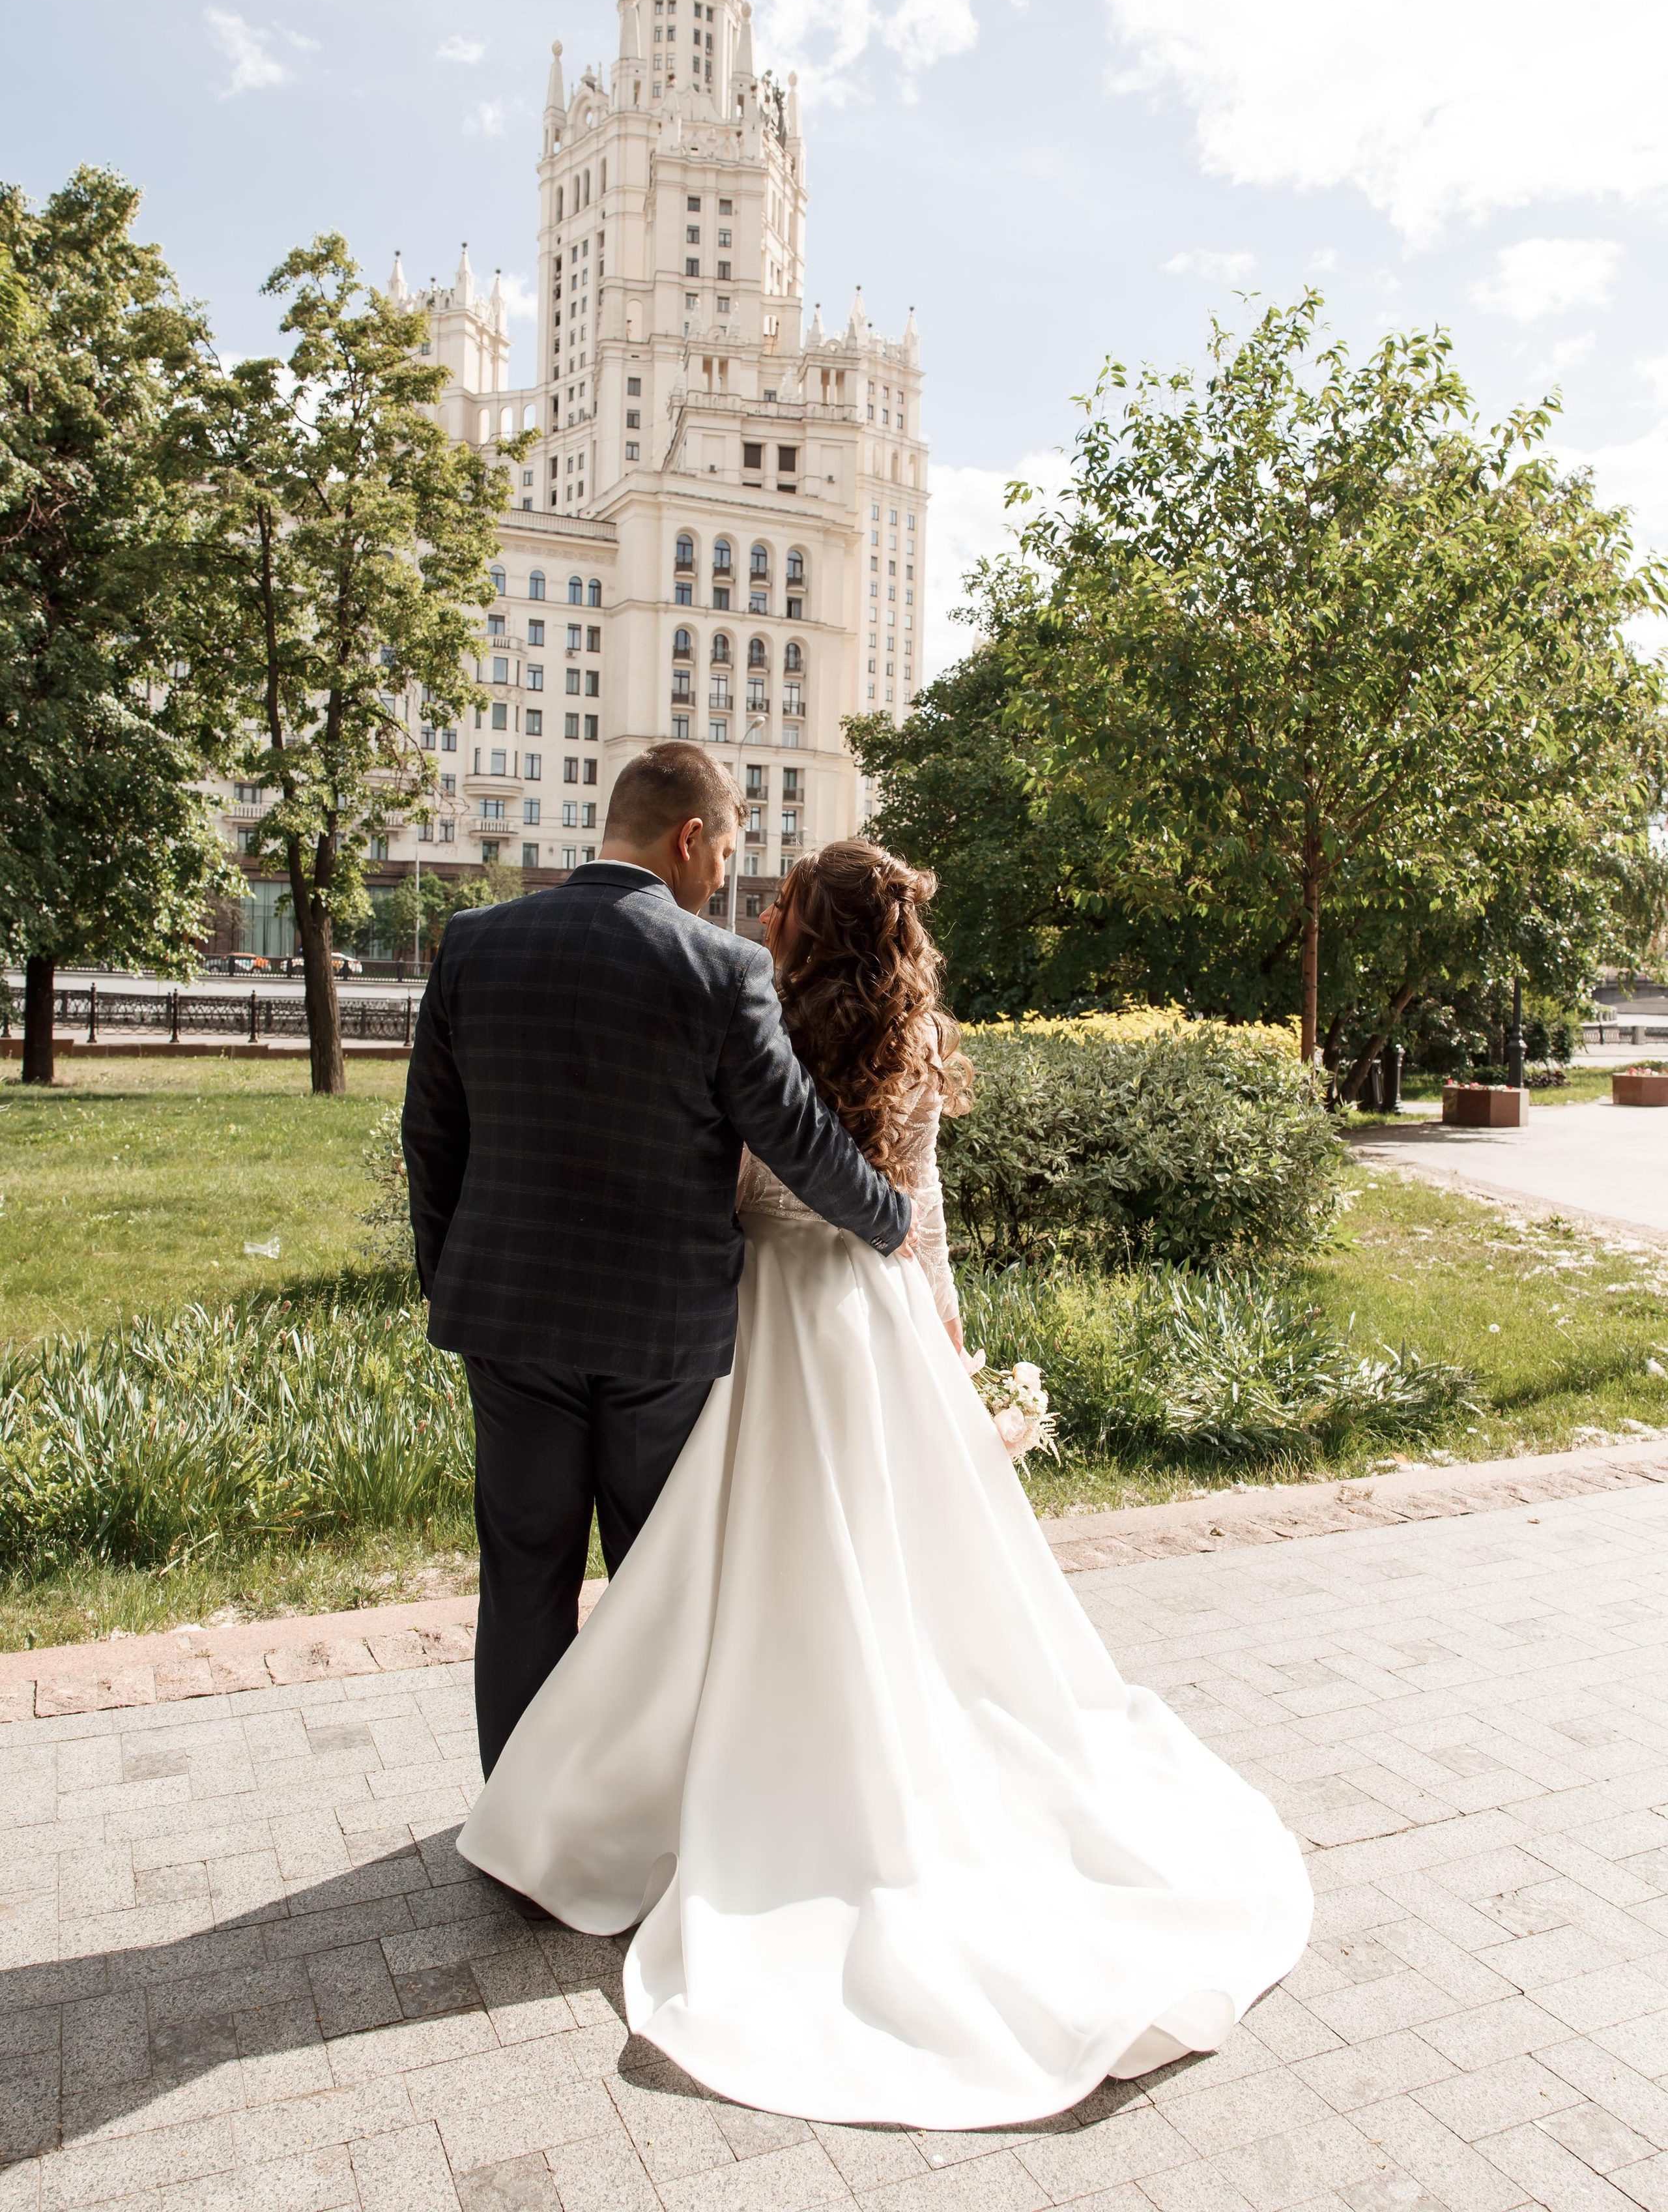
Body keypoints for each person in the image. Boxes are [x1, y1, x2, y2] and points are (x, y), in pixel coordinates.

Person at [458, 839, 1313, 2131]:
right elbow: (919, 1204)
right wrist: (947, 1332)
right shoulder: (915, 1031)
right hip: (869, 1321)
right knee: (885, 1568)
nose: (762, 904)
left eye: (781, 896)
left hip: (755, 1313)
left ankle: (616, 1788)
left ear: (801, 917)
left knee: (717, 1566)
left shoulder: (751, 1001)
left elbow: (734, 1173)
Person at [401, 744, 913, 1775]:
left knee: (523, 1577)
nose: (725, 879)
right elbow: (798, 1138)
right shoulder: (723, 970)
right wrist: (892, 1220)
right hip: (659, 1337)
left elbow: (432, 1137)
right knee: (653, 1587)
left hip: (508, 1327)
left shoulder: (472, 942)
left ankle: (518, 1818)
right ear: (689, 839)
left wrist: (452, 1273)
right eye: (725, 852)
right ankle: (632, 1819)